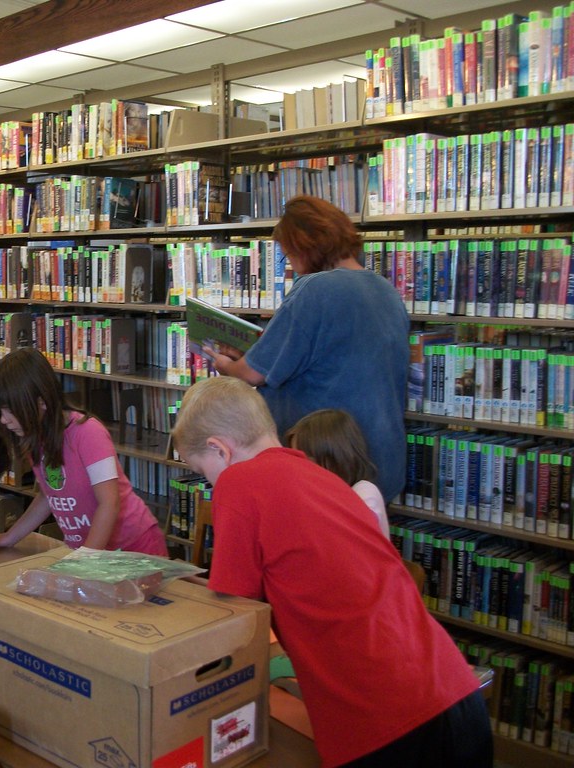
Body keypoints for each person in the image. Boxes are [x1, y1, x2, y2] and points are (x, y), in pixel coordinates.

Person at [171, 376, 492, 768]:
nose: (210, 483)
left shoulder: (239, 482)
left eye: (203, 472)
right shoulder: (325, 479)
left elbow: (232, 613)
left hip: (385, 722)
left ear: (220, 450)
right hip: (455, 691)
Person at [203, 195, 409, 503]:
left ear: (306, 246)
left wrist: (226, 366)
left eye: (289, 255)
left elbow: (253, 374)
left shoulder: (315, 289)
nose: (292, 266)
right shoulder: (385, 290)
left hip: (327, 464)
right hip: (379, 463)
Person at [0, 347, 167, 555]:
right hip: (95, 554)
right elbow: (49, 496)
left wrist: (85, 560)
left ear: (41, 401)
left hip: (135, 548)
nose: (3, 420)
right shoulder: (35, 437)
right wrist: (9, 538)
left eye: (9, 410)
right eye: (0, 412)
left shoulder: (88, 432)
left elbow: (109, 503)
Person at [284, 408, 390, 539]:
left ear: (335, 458)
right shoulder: (318, 492)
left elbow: (345, 540)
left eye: (308, 460)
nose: (300, 467)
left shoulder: (364, 492)